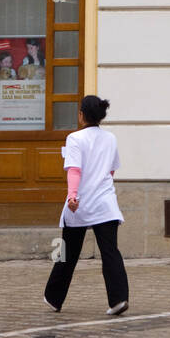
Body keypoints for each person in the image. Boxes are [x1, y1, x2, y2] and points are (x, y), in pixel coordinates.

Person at [43, 95, 129, 317]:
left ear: (81, 115)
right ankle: (119, 299)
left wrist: (73, 196)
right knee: (110, 252)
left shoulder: (74, 138)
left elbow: (74, 169)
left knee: (67, 253)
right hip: (105, 204)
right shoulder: (110, 138)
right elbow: (111, 170)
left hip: (80, 204)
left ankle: (54, 297)